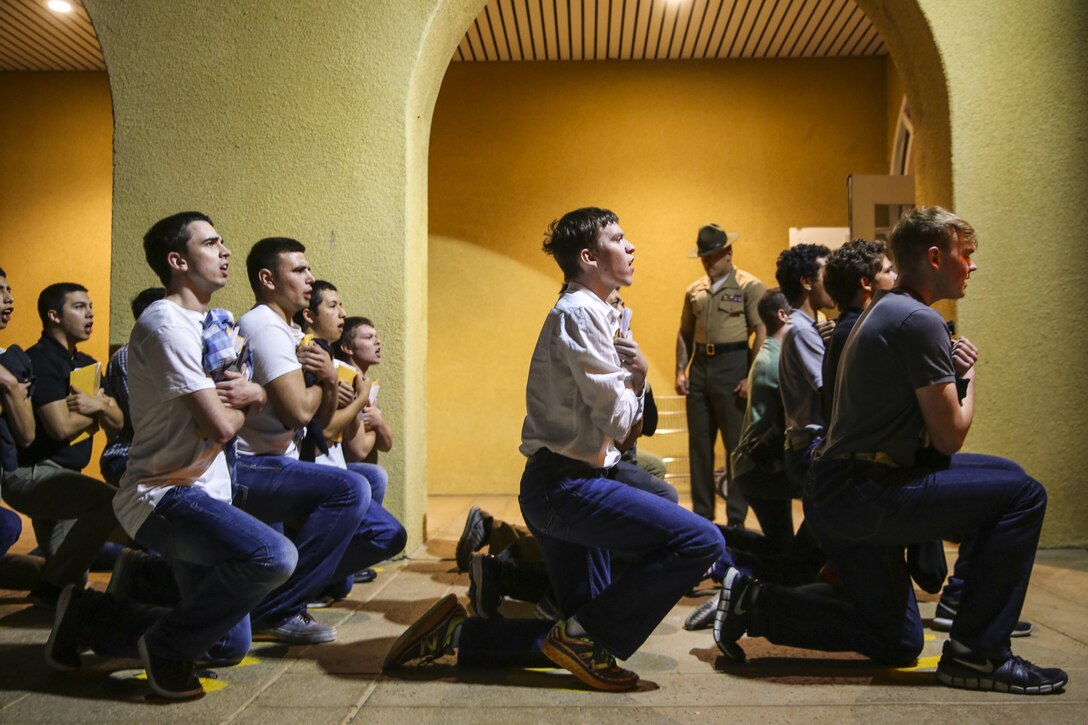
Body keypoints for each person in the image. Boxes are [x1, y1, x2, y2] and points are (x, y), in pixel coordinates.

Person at [712, 206, 1067, 695]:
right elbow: (950, 436)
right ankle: (978, 653)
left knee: (898, 640)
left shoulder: (885, 308)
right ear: (936, 257)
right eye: (967, 254)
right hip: (863, 493)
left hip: (840, 489)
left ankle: (755, 603)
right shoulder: (917, 320)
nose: (973, 265)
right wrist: (969, 377)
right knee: (1022, 493)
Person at [386, 208, 726, 692]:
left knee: (581, 628)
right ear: (589, 257)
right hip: (566, 487)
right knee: (702, 541)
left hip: (571, 482)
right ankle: (577, 635)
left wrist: (636, 381)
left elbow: (623, 429)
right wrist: (640, 377)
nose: (631, 247)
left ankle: (459, 634)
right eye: (618, 238)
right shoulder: (580, 313)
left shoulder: (603, 311)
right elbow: (621, 423)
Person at [44, 211, 296, 699]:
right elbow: (220, 424)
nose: (225, 251)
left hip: (203, 491)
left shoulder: (207, 322)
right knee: (274, 556)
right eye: (211, 243)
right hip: (163, 492)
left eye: (222, 242)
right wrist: (256, 400)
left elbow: (233, 406)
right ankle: (166, 648)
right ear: (178, 261)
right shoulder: (165, 325)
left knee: (225, 644)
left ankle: (91, 616)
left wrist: (254, 396)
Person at [233, 238, 391, 644]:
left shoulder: (288, 331)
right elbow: (300, 414)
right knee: (353, 487)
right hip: (254, 465)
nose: (310, 277)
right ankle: (280, 607)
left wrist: (323, 380)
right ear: (267, 279)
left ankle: (287, 594)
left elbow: (317, 426)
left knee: (377, 515)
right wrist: (328, 382)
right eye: (299, 270)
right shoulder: (265, 328)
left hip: (282, 461)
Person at [3, 282, 121, 608]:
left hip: (66, 476)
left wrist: (98, 407)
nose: (90, 313)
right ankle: (49, 587)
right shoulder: (39, 360)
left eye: (91, 306)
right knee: (112, 504)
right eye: (79, 307)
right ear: (54, 316)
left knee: (74, 583)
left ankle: (49, 586)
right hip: (33, 474)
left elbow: (119, 422)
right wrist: (100, 409)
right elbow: (59, 427)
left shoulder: (85, 362)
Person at [295, 281, 406, 596]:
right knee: (370, 482)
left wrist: (377, 420)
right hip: (321, 465)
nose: (378, 343)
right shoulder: (342, 371)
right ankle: (308, 582)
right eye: (369, 338)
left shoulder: (353, 376)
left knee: (374, 476)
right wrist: (361, 402)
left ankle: (334, 563)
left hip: (332, 462)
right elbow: (354, 444)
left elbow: (385, 442)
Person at [676, 223, 766, 525]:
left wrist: (750, 376)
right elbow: (684, 332)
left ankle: (736, 519)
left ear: (728, 253)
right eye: (704, 258)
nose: (708, 263)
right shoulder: (694, 290)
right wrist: (680, 370)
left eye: (713, 256)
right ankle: (702, 516)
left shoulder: (749, 286)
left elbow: (761, 332)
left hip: (734, 364)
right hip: (701, 367)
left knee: (735, 447)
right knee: (699, 446)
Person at [775, 244, 834, 495]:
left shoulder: (808, 325)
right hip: (811, 448)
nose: (833, 283)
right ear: (807, 282)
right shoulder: (801, 328)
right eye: (827, 276)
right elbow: (829, 388)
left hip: (809, 447)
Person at [0, 266, 45, 591]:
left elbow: (26, 433)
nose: (10, 299)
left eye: (9, 290)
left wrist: (11, 387)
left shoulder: (9, 361)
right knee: (7, 525)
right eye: (0, 291)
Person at [99, 287, 167, 486]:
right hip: (129, 454)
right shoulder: (129, 356)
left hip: (165, 455)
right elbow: (148, 418)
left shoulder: (170, 350)